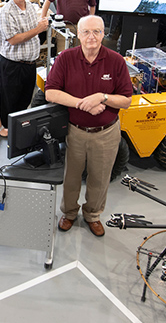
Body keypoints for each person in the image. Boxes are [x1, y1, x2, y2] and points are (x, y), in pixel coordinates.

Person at [45, 15, 133, 237]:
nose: (91, 37)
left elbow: (126, 100)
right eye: (86, 32)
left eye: (96, 32)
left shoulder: (116, 61)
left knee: (100, 177)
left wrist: (102, 97)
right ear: (78, 34)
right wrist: (83, 104)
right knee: (71, 176)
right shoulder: (65, 59)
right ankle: (69, 213)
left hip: (107, 133)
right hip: (75, 131)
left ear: (103, 34)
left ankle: (93, 215)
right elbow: (50, 92)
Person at [0, 0, 49, 126]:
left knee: (25, 101)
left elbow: (33, 32)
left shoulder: (30, 7)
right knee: (10, 104)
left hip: (30, 64)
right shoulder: (6, 12)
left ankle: (20, 131)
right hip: (13, 66)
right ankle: (7, 133)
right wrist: (38, 29)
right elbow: (13, 39)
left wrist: (41, 26)